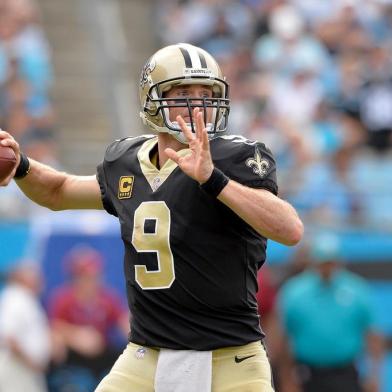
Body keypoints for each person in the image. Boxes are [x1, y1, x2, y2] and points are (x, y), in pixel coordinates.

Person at [0, 43, 303, 392]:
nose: (198, 104)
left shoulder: (234, 157)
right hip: (146, 356)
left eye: (207, 94)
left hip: (230, 359)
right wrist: (21, 166)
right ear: (153, 99)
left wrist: (213, 179)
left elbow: (290, 229)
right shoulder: (127, 162)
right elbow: (58, 191)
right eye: (184, 92)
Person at [278, 233, 384, 392]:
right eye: (323, 263)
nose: (327, 268)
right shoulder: (295, 292)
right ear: (314, 262)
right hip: (308, 373)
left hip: (345, 373)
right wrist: (287, 379)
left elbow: (372, 335)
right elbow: (284, 338)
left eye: (331, 262)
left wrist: (374, 375)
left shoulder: (356, 289)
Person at [47, 245, 129, 391]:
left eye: (95, 276)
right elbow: (54, 327)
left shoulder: (108, 297)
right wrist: (75, 335)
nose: (91, 282)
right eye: (85, 277)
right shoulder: (64, 299)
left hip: (102, 358)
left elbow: (124, 323)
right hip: (75, 362)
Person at [0, 260, 51, 392]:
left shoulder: (26, 299)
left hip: (25, 373)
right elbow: (8, 337)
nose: (39, 278)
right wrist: (32, 362)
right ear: (20, 277)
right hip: (16, 372)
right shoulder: (15, 298)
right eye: (33, 274)